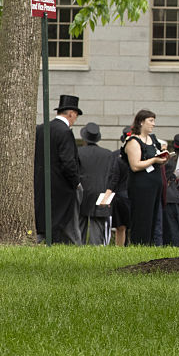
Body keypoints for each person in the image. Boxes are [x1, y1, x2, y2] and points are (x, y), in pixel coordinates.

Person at [34, 94, 83, 244]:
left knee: (45, 221)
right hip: (62, 186)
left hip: (42, 184)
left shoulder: (41, 129)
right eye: (75, 117)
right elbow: (68, 162)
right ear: (71, 114)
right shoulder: (65, 131)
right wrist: (76, 182)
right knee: (71, 223)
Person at [124, 109, 168, 245]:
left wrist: (163, 158)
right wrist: (154, 160)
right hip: (141, 186)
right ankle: (139, 244)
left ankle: (149, 243)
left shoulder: (153, 139)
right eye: (151, 121)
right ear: (141, 122)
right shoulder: (133, 141)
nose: (153, 124)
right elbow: (135, 165)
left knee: (154, 218)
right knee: (142, 217)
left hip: (155, 185)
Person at [78, 122, 113, 245]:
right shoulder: (108, 154)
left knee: (79, 225)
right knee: (97, 229)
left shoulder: (78, 152)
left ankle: (77, 249)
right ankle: (96, 249)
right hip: (101, 192)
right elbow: (112, 176)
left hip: (82, 191)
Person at [102, 127, 133, 246]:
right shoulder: (140, 155)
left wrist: (108, 194)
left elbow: (112, 177)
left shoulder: (116, 156)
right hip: (130, 194)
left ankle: (120, 248)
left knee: (121, 227)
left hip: (120, 194)